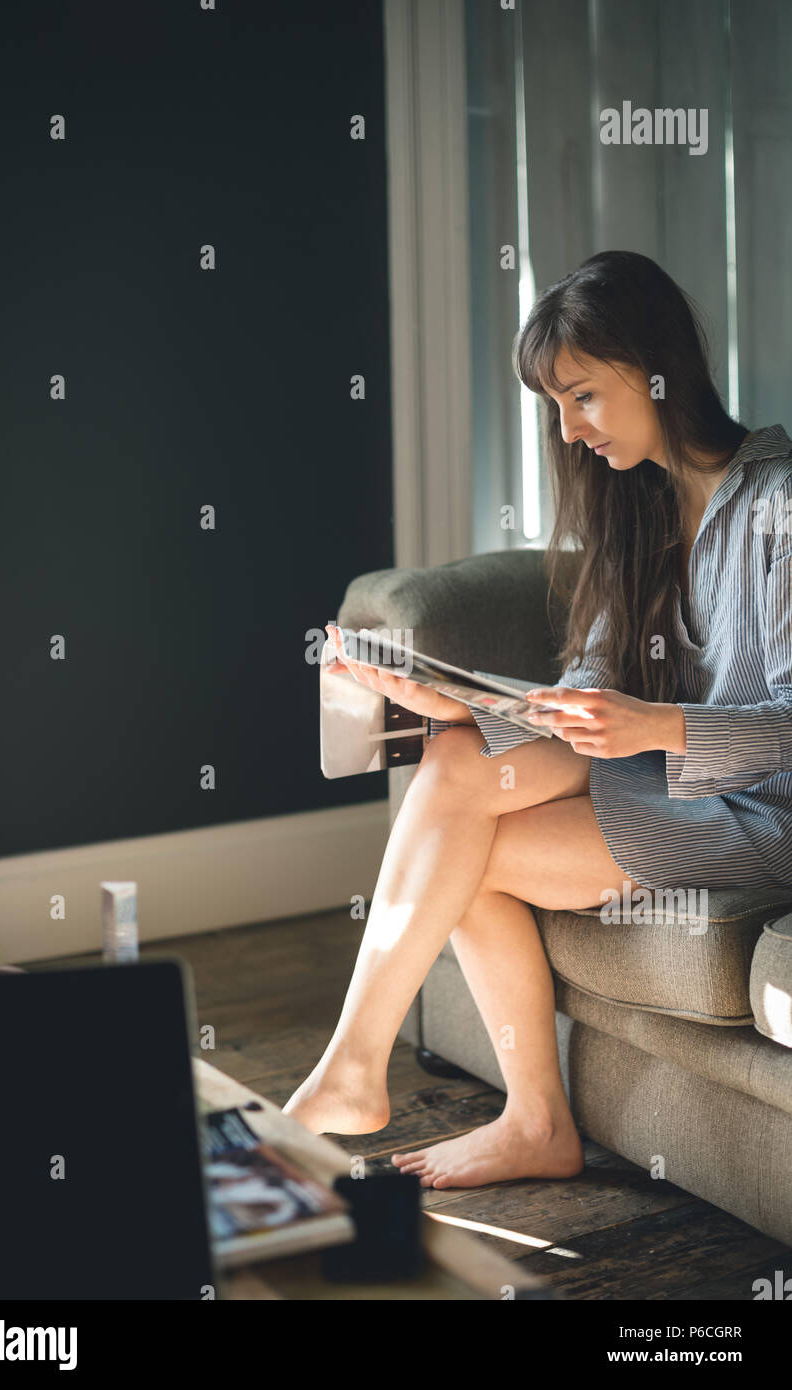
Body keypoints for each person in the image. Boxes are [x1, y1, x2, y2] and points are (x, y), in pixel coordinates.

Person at [283, 250, 792, 1190]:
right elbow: (592, 679)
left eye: (583, 397)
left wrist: (660, 728)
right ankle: (514, 1117)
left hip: (767, 814)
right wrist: (459, 701)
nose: (568, 430)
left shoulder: (780, 503)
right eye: (556, 405)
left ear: (655, 370)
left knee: (457, 842)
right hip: (675, 787)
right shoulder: (638, 505)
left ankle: (359, 1075)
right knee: (458, 766)